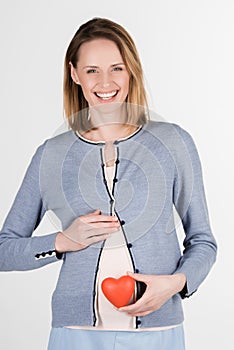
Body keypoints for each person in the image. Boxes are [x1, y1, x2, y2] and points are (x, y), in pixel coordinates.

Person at [0, 17, 217, 350]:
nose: (105, 82)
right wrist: (62, 240)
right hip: (75, 335)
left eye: (116, 68)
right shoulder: (51, 154)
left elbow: (203, 241)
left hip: (158, 333)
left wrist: (174, 284)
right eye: (91, 70)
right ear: (74, 74)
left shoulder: (173, 143)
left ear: (131, 70)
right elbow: (5, 249)